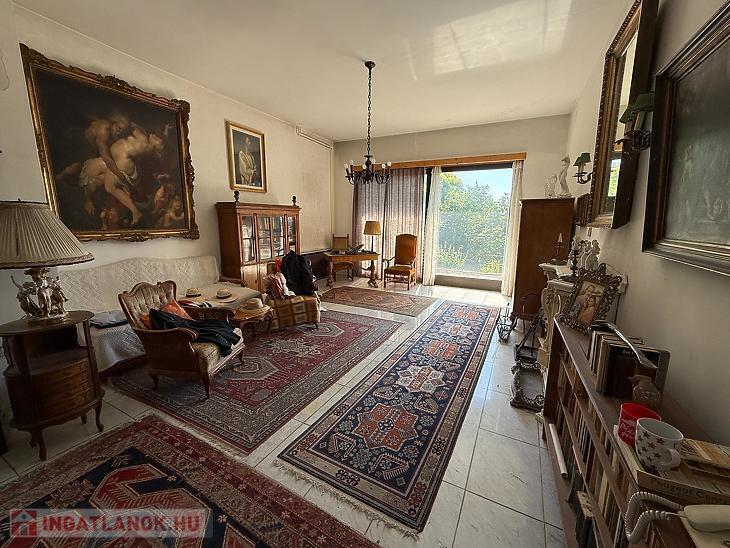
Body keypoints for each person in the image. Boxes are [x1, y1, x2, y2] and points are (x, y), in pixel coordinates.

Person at [78, 126, 165, 226]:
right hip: (121, 169)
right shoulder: (141, 136)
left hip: (123, 169)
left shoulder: (145, 146)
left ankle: (135, 211)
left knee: (109, 186)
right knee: (103, 183)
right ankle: (135, 209)